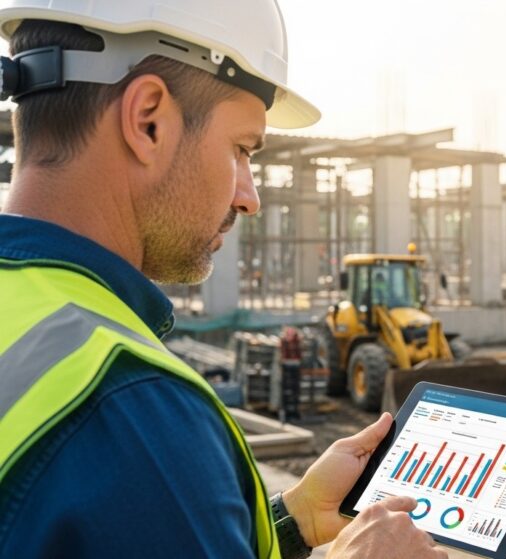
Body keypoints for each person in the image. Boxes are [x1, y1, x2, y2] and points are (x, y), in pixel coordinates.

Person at [0, 2, 444, 558]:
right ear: (148, 121)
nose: (249, 196)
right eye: (241, 149)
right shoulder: (137, 412)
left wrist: (295, 519)